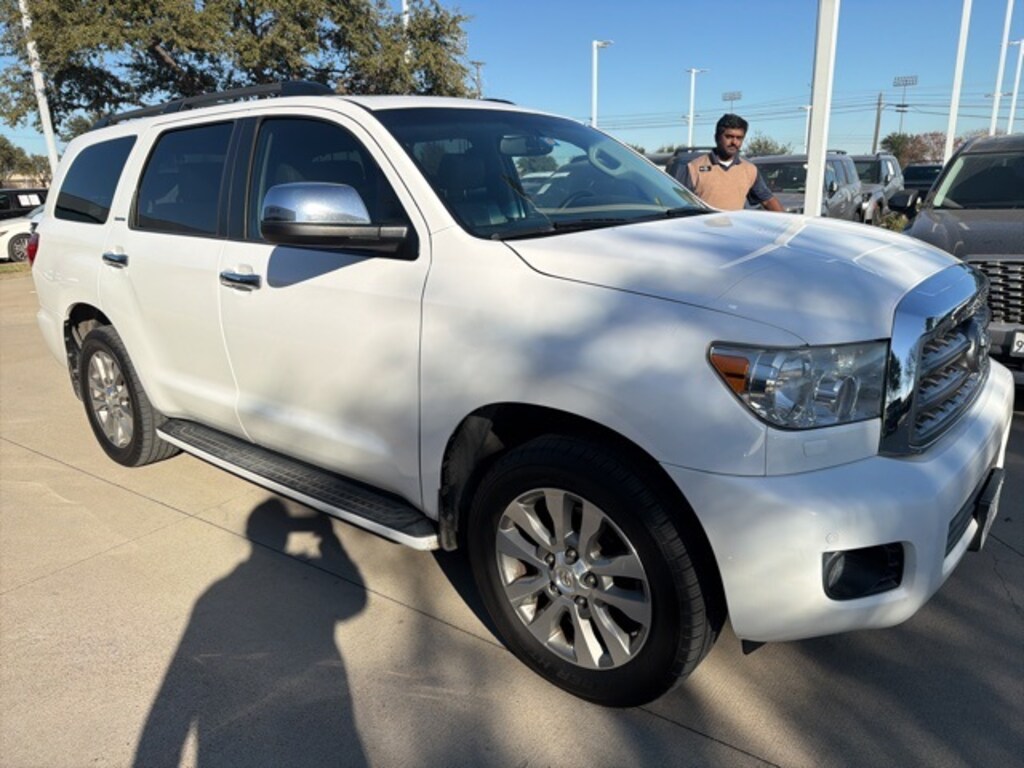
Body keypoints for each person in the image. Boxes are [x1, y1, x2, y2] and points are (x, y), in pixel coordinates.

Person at [674, 113, 784, 212]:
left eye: (739, 138)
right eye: (729, 137)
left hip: (734, 232)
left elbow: (767, 200)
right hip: (703, 232)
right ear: (717, 137)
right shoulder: (694, 168)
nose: (734, 142)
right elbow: (678, 204)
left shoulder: (749, 170)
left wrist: (790, 226)